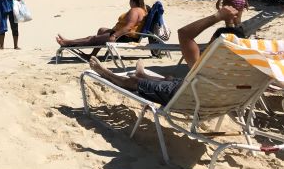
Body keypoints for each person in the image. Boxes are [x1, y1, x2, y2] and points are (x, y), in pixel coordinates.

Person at [88, 7, 240, 105]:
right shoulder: (239, 68)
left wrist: (218, 16)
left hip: (187, 100)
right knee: (170, 80)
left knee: (134, 82)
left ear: (215, 44)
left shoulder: (204, 65)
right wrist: (230, 25)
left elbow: (185, 34)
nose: (207, 44)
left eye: (211, 41)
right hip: (213, 101)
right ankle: (142, 74)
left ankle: (105, 72)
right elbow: (234, 40)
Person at [55, 0, 147, 48]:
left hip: (124, 37)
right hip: (125, 35)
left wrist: (114, 36)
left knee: (92, 39)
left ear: (133, 2)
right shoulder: (142, 10)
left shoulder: (134, 11)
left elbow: (128, 27)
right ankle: (92, 53)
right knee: (101, 30)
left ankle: (67, 43)